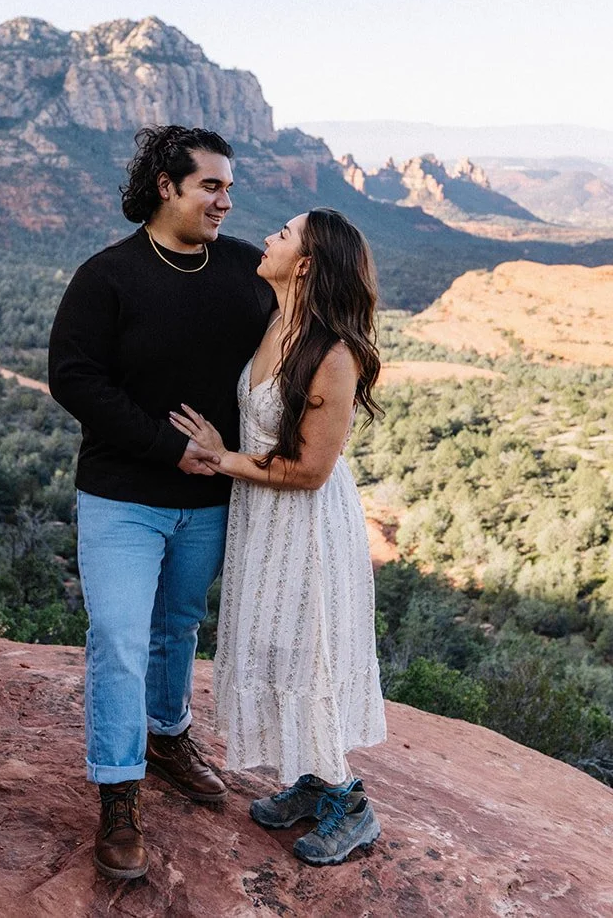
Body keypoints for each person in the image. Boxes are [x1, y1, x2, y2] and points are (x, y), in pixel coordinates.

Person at [47, 125, 274, 880]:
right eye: (210, 185)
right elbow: (74, 379)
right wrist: (167, 445)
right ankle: (119, 791)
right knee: (117, 632)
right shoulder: (107, 277)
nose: (225, 200)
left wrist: (244, 452)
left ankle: (169, 733)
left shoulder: (246, 270)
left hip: (209, 500)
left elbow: (302, 338)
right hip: (122, 496)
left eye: (228, 187)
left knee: (177, 627)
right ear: (166, 187)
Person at [168, 208, 387, 867]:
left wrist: (219, 455)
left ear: (309, 263)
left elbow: (311, 469)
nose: (268, 238)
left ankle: (350, 803)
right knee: (272, 639)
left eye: (284, 235)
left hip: (307, 522)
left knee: (307, 646)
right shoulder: (276, 317)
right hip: (263, 514)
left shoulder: (333, 355)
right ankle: (314, 778)